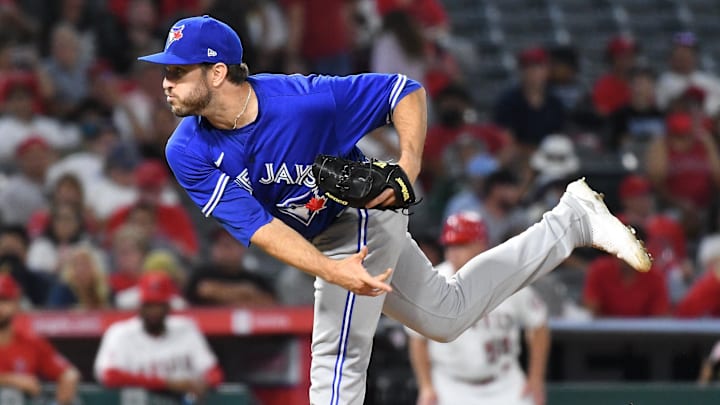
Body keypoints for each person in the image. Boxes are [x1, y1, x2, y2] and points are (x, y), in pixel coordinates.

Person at [137, 15, 650, 404]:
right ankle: (572, 221)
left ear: (218, 71)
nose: (166, 81)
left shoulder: (304, 101)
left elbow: (403, 91)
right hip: (318, 237)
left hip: (358, 210)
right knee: (445, 316)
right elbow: (260, 228)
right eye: (165, 71)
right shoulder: (187, 149)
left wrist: (407, 164)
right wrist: (331, 268)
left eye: (178, 71)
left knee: (337, 353)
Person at [408, 212, 550, 405]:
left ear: (481, 245)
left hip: (505, 382)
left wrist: (535, 378)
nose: (453, 252)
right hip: (451, 384)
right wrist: (426, 386)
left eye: (461, 244)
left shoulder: (507, 277)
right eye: (449, 245)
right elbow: (417, 340)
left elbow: (539, 326)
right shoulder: (434, 283)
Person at [94, 272, 223, 401]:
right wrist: (167, 384)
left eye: (158, 305)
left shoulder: (186, 329)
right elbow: (109, 376)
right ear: (140, 305)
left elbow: (214, 373)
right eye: (148, 305)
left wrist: (205, 384)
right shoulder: (120, 333)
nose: (153, 311)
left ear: (168, 306)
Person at [0, 273, 80, 403]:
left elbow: (67, 372)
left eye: (4, 300)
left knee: (75, 400)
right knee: (8, 394)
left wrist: (68, 379)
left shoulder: (29, 341)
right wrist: (12, 380)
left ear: (15, 304)